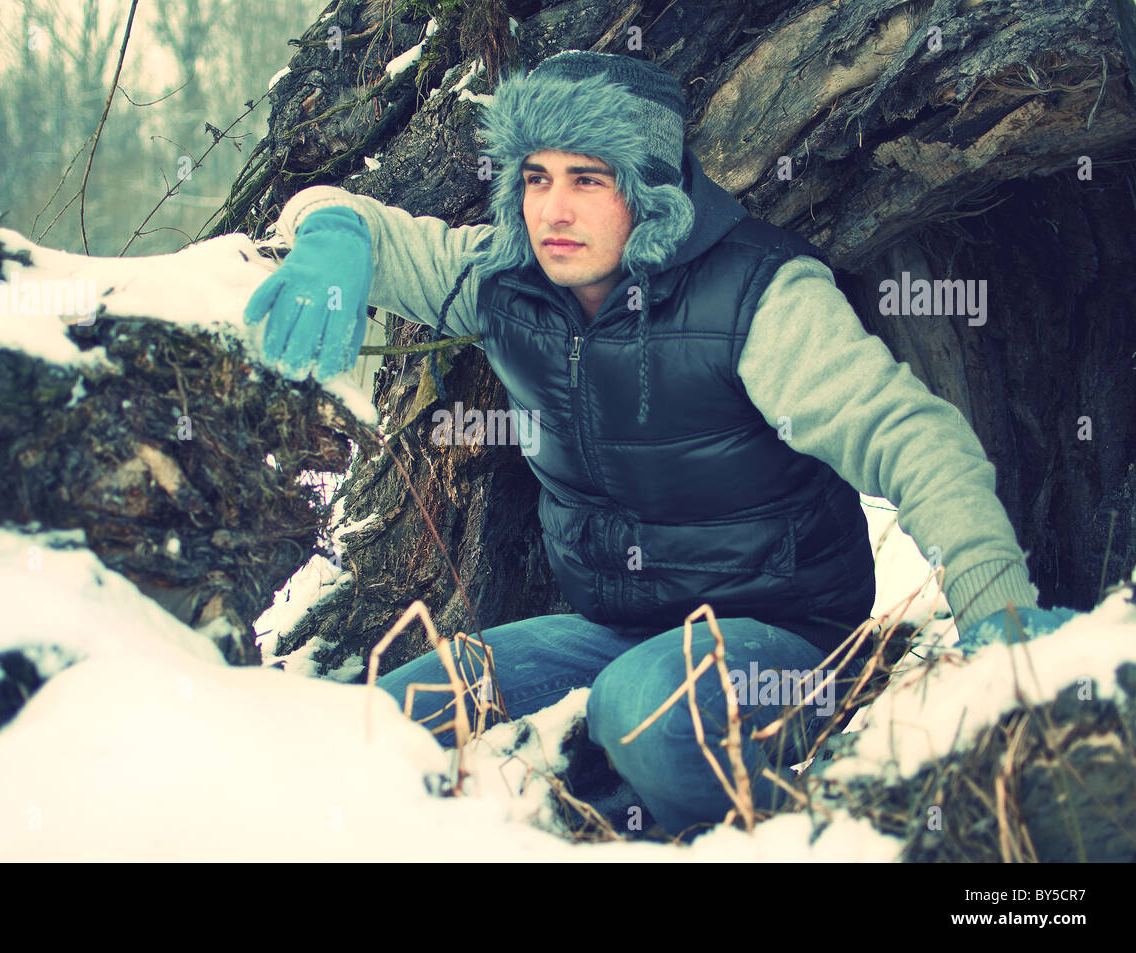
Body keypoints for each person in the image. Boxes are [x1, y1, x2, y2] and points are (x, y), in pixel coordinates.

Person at [243, 51, 1078, 837]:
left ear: (650, 189)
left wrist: (999, 619)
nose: (552, 210)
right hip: (612, 630)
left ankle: (792, 829)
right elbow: (361, 221)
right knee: (381, 722)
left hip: (781, 644)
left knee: (639, 708)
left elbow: (912, 438)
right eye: (535, 178)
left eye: (587, 179)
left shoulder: (757, 295)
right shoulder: (506, 277)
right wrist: (334, 237)